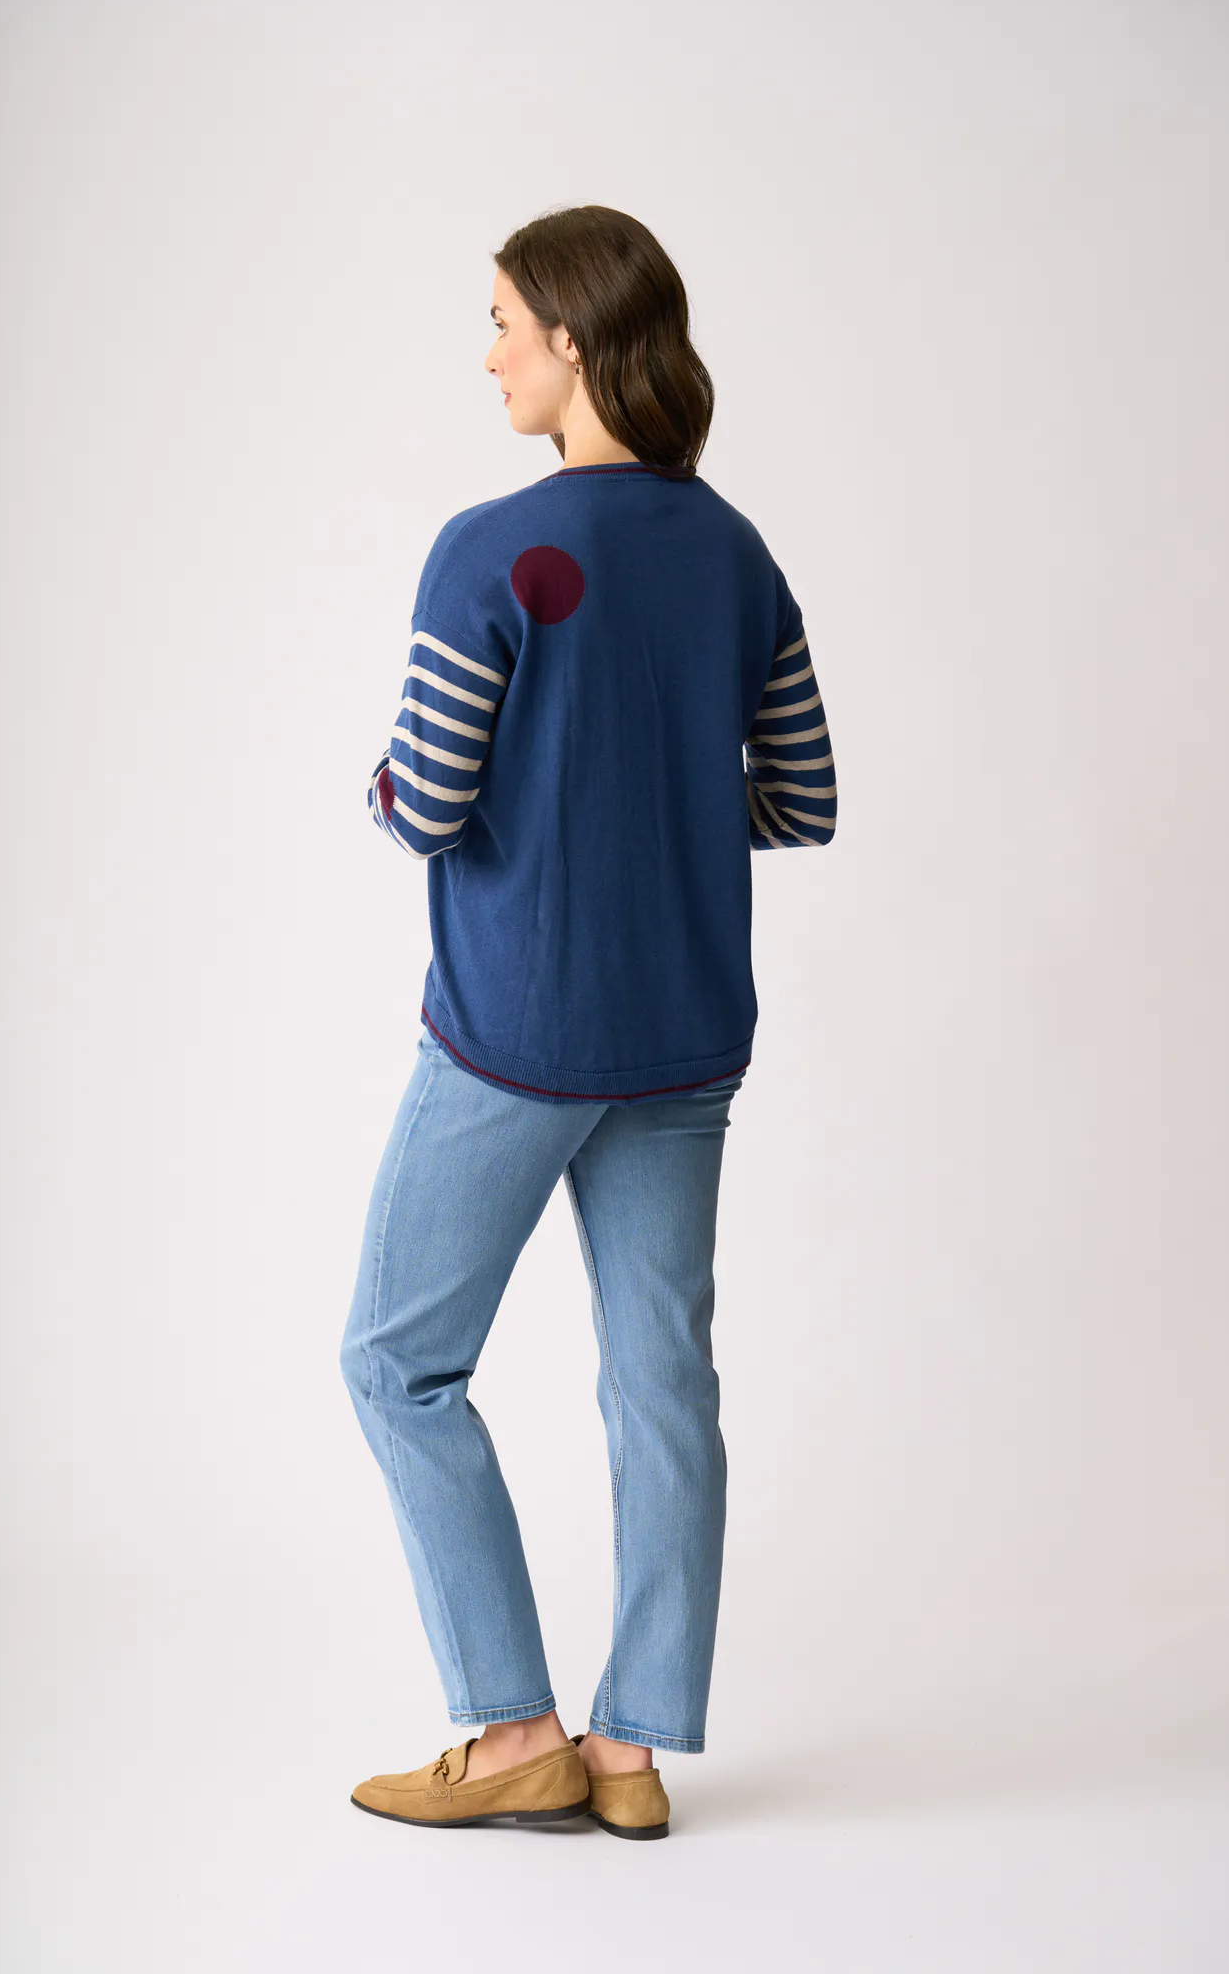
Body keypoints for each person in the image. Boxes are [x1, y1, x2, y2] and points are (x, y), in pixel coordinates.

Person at [340, 204, 837, 1838]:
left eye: (502, 322)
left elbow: (428, 801)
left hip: (516, 1034)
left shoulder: (493, 549)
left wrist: (384, 786)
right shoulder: (737, 554)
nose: (487, 354)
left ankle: (513, 1730)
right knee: (662, 1383)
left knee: (397, 1363)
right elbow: (803, 798)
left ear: (571, 336)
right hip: (685, 1034)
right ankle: (631, 1755)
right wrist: (664, 808)